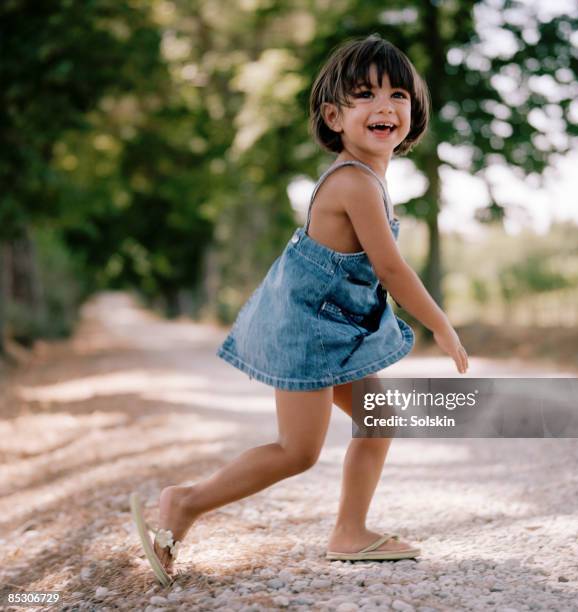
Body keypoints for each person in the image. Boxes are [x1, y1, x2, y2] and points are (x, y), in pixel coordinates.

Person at [131, 33, 469, 586]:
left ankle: (349, 531)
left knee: (377, 422)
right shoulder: (355, 183)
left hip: (328, 327)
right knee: (297, 450)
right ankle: (185, 502)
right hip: (307, 331)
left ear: (415, 110)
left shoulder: (374, 181)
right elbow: (390, 270)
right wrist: (443, 325)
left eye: (398, 95)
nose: (384, 107)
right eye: (365, 95)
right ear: (334, 116)